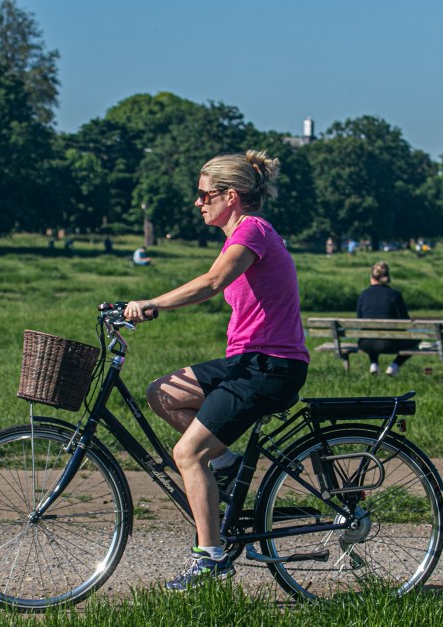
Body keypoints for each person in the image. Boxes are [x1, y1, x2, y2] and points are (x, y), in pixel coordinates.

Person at [123, 150, 309, 591]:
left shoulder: (253, 231)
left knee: (187, 454)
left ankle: (212, 557)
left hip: (271, 367)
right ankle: (225, 466)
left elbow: (211, 283)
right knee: (162, 393)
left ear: (231, 195)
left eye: (205, 193)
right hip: (248, 361)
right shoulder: (241, 235)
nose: (197, 201)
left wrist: (151, 303)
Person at [356, 261, 417, 376]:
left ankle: (374, 363)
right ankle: (395, 365)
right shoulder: (395, 295)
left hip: (365, 343)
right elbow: (405, 322)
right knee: (417, 340)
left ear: (372, 277)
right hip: (389, 343)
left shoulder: (363, 294)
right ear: (388, 277)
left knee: (371, 334)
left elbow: (359, 321)